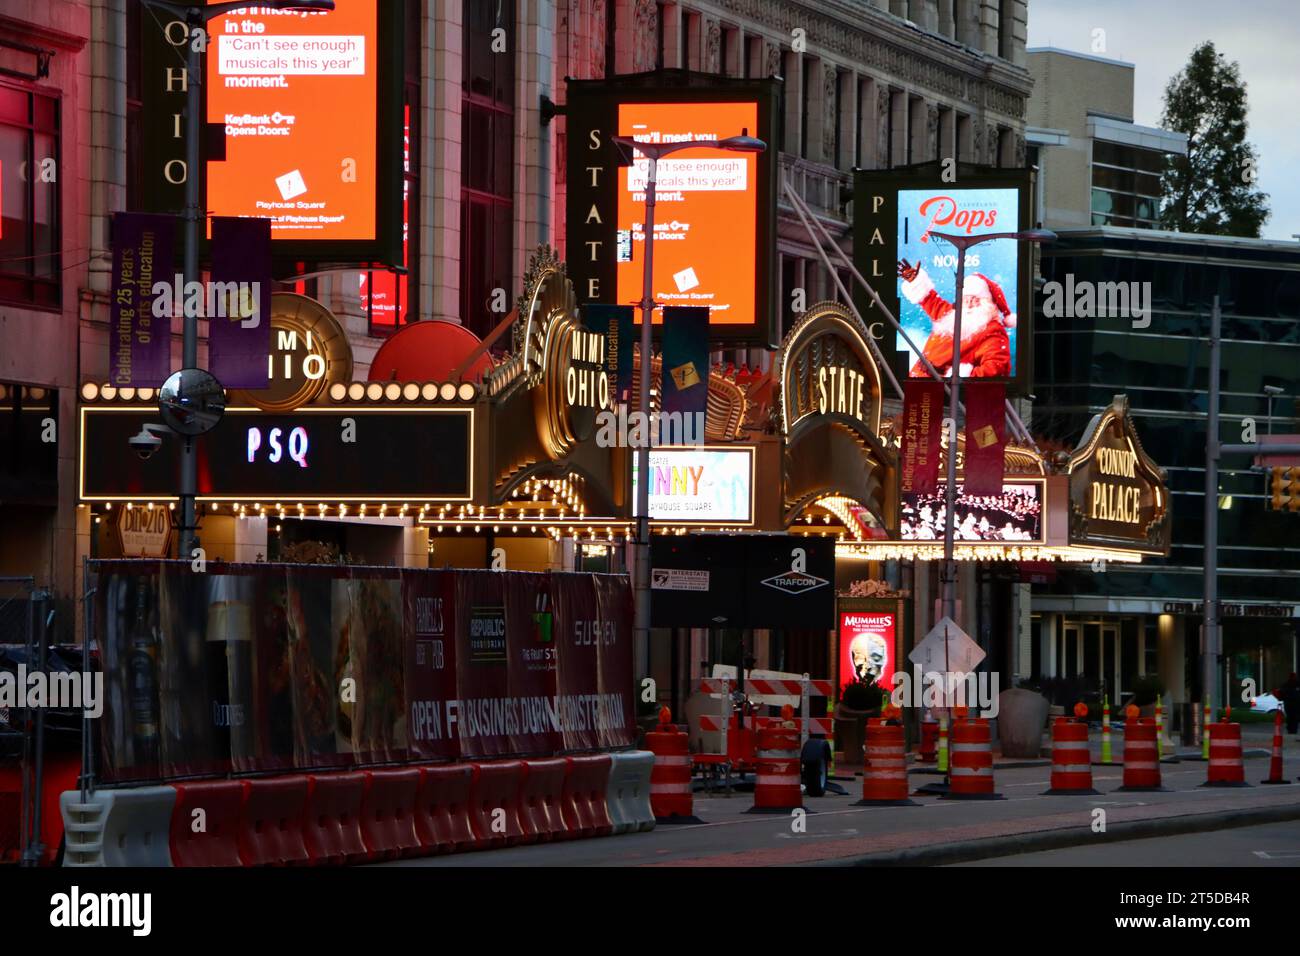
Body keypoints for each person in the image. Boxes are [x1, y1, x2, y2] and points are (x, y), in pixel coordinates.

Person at [897, 259, 1015, 378]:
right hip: (917, 384)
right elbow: (930, 300)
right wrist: (915, 280)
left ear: (987, 303)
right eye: (965, 298)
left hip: (944, 392)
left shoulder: (993, 330)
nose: (969, 303)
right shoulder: (951, 314)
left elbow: (996, 369)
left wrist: (956, 378)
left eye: (975, 299)